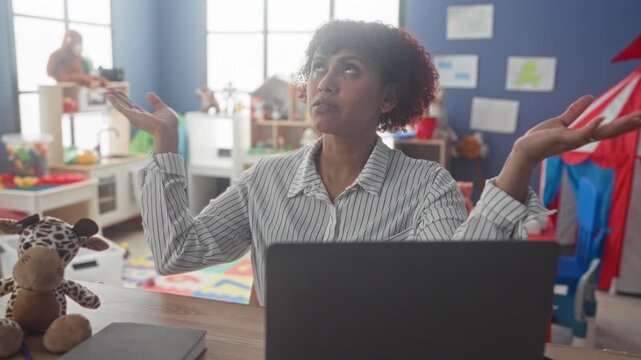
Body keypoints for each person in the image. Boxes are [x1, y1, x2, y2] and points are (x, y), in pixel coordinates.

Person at [106, 21, 641, 306]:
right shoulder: (266, 178)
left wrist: (520, 158)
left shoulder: (425, 184)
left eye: (349, 68)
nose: (325, 80)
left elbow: (459, 282)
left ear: (389, 98)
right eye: (319, 67)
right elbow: (177, 254)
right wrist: (166, 144)